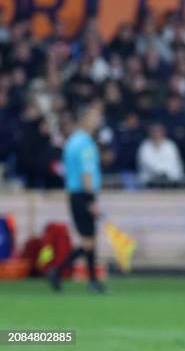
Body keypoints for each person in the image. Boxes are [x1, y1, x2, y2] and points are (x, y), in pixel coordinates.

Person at [49, 103, 106, 293]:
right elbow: (86, 174)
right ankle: (57, 271)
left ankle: (92, 280)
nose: (98, 121)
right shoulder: (85, 144)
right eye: (94, 117)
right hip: (83, 194)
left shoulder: (72, 141)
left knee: (89, 240)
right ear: (85, 120)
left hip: (74, 194)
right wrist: (91, 201)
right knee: (88, 241)